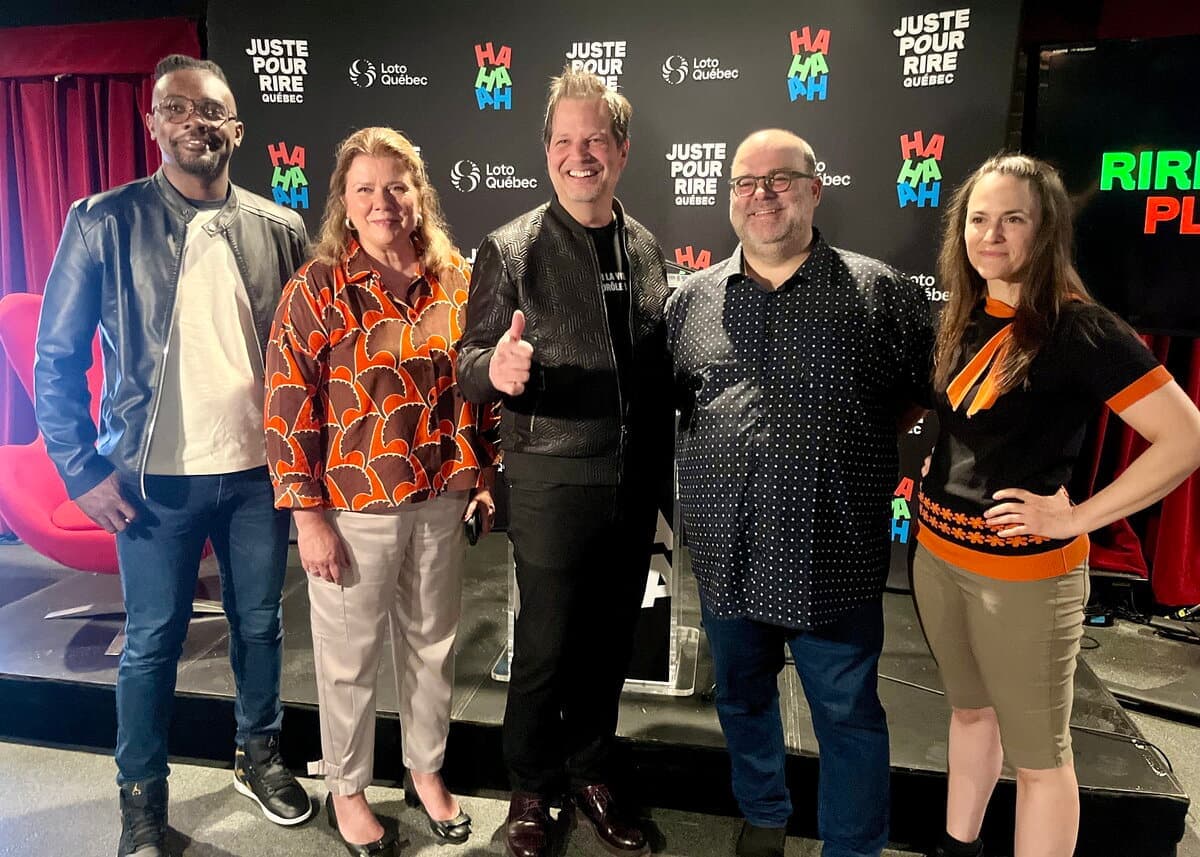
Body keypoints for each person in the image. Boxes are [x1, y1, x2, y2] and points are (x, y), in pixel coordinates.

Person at [34, 55, 312, 857]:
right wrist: (80, 468)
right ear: (154, 124)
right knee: (153, 640)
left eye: (211, 109)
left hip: (259, 475)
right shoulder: (101, 220)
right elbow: (55, 359)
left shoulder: (278, 228)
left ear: (237, 126)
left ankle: (257, 756)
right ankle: (141, 797)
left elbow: (302, 358)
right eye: (176, 108)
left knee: (260, 625)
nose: (195, 120)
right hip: (151, 482)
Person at [913, 153, 1200, 857]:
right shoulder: (969, 311)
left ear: (1046, 231)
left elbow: (1185, 437)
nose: (992, 234)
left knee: (1040, 759)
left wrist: (1075, 517)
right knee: (970, 715)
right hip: (938, 557)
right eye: (979, 218)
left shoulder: (1081, 328)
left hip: (1024, 580)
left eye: (1014, 219)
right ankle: (961, 847)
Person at [667, 128, 934, 857]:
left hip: (835, 557)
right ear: (729, 199)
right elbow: (681, 406)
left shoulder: (882, 294)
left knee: (848, 718)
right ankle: (764, 812)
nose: (763, 193)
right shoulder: (689, 302)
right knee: (741, 698)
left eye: (781, 178)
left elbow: (917, 399)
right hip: (730, 555)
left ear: (816, 188)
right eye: (746, 182)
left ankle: (853, 848)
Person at [457, 67, 673, 857]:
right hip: (550, 481)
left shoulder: (646, 247)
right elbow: (468, 361)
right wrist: (496, 371)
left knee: (611, 642)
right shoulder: (510, 246)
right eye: (563, 141)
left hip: (632, 483)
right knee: (545, 645)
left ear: (622, 150)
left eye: (594, 140)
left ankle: (590, 768)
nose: (578, 155)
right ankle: (531, 785)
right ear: (546, 151)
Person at [265, 126, 498, 856]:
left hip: (439, 497)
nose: (382, 202)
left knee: (433, 647)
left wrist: (482, 475)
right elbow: (285, 405)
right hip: (351, 505)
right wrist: (308, 516)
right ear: (343, 201)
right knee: (349, 658)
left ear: (419, 194)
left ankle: (427, 773)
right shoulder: (316, 287)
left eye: (396, 186)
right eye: (364, 188)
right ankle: (349, 789)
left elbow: (478, 391)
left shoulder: (457, 278)